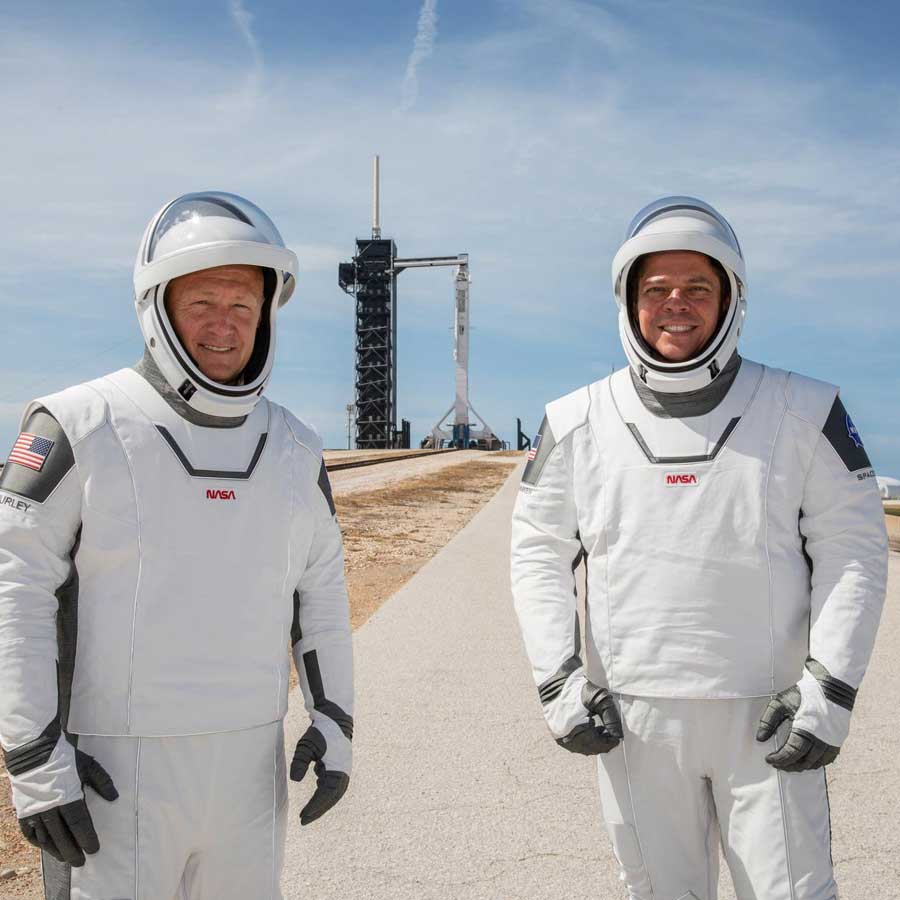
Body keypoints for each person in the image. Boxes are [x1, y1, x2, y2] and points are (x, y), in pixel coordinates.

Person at [510, 196, 888, 899]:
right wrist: (559, 682)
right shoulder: (575, 421)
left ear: (731, 301)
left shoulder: (804, 408)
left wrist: (830, 691)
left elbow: (856, 547)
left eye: (697, 289)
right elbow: (538, 553)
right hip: (632, 719)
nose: (675, 305)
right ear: (628, 300)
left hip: (771, 715)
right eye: (656, 290)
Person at [0, 192, 354, 899]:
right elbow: (16, 587)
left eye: (243, 307)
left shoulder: (294, 448)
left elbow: (321, 596)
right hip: (113, 777)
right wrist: (36, 764)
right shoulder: (75, 424)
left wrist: (335, 724)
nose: (224, 327)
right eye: (202, 304)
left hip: (250, 773)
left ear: (267, 317)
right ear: (157, 307)